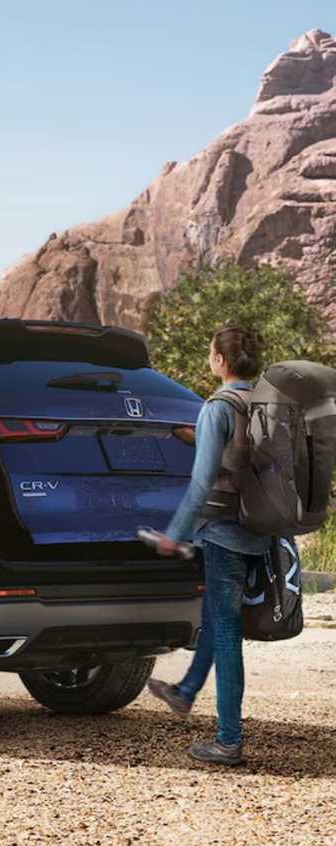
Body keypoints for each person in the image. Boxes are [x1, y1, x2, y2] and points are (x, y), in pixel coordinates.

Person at [142, 325, 270, 767]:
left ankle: (228, 741)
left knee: (228, 632)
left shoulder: (217, 408)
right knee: (218, 617)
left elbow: (201, 484)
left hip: (222, 532)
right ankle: (185, 691)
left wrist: (173, 534)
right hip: (258, 529)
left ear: (220, 361)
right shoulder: (264, 404)